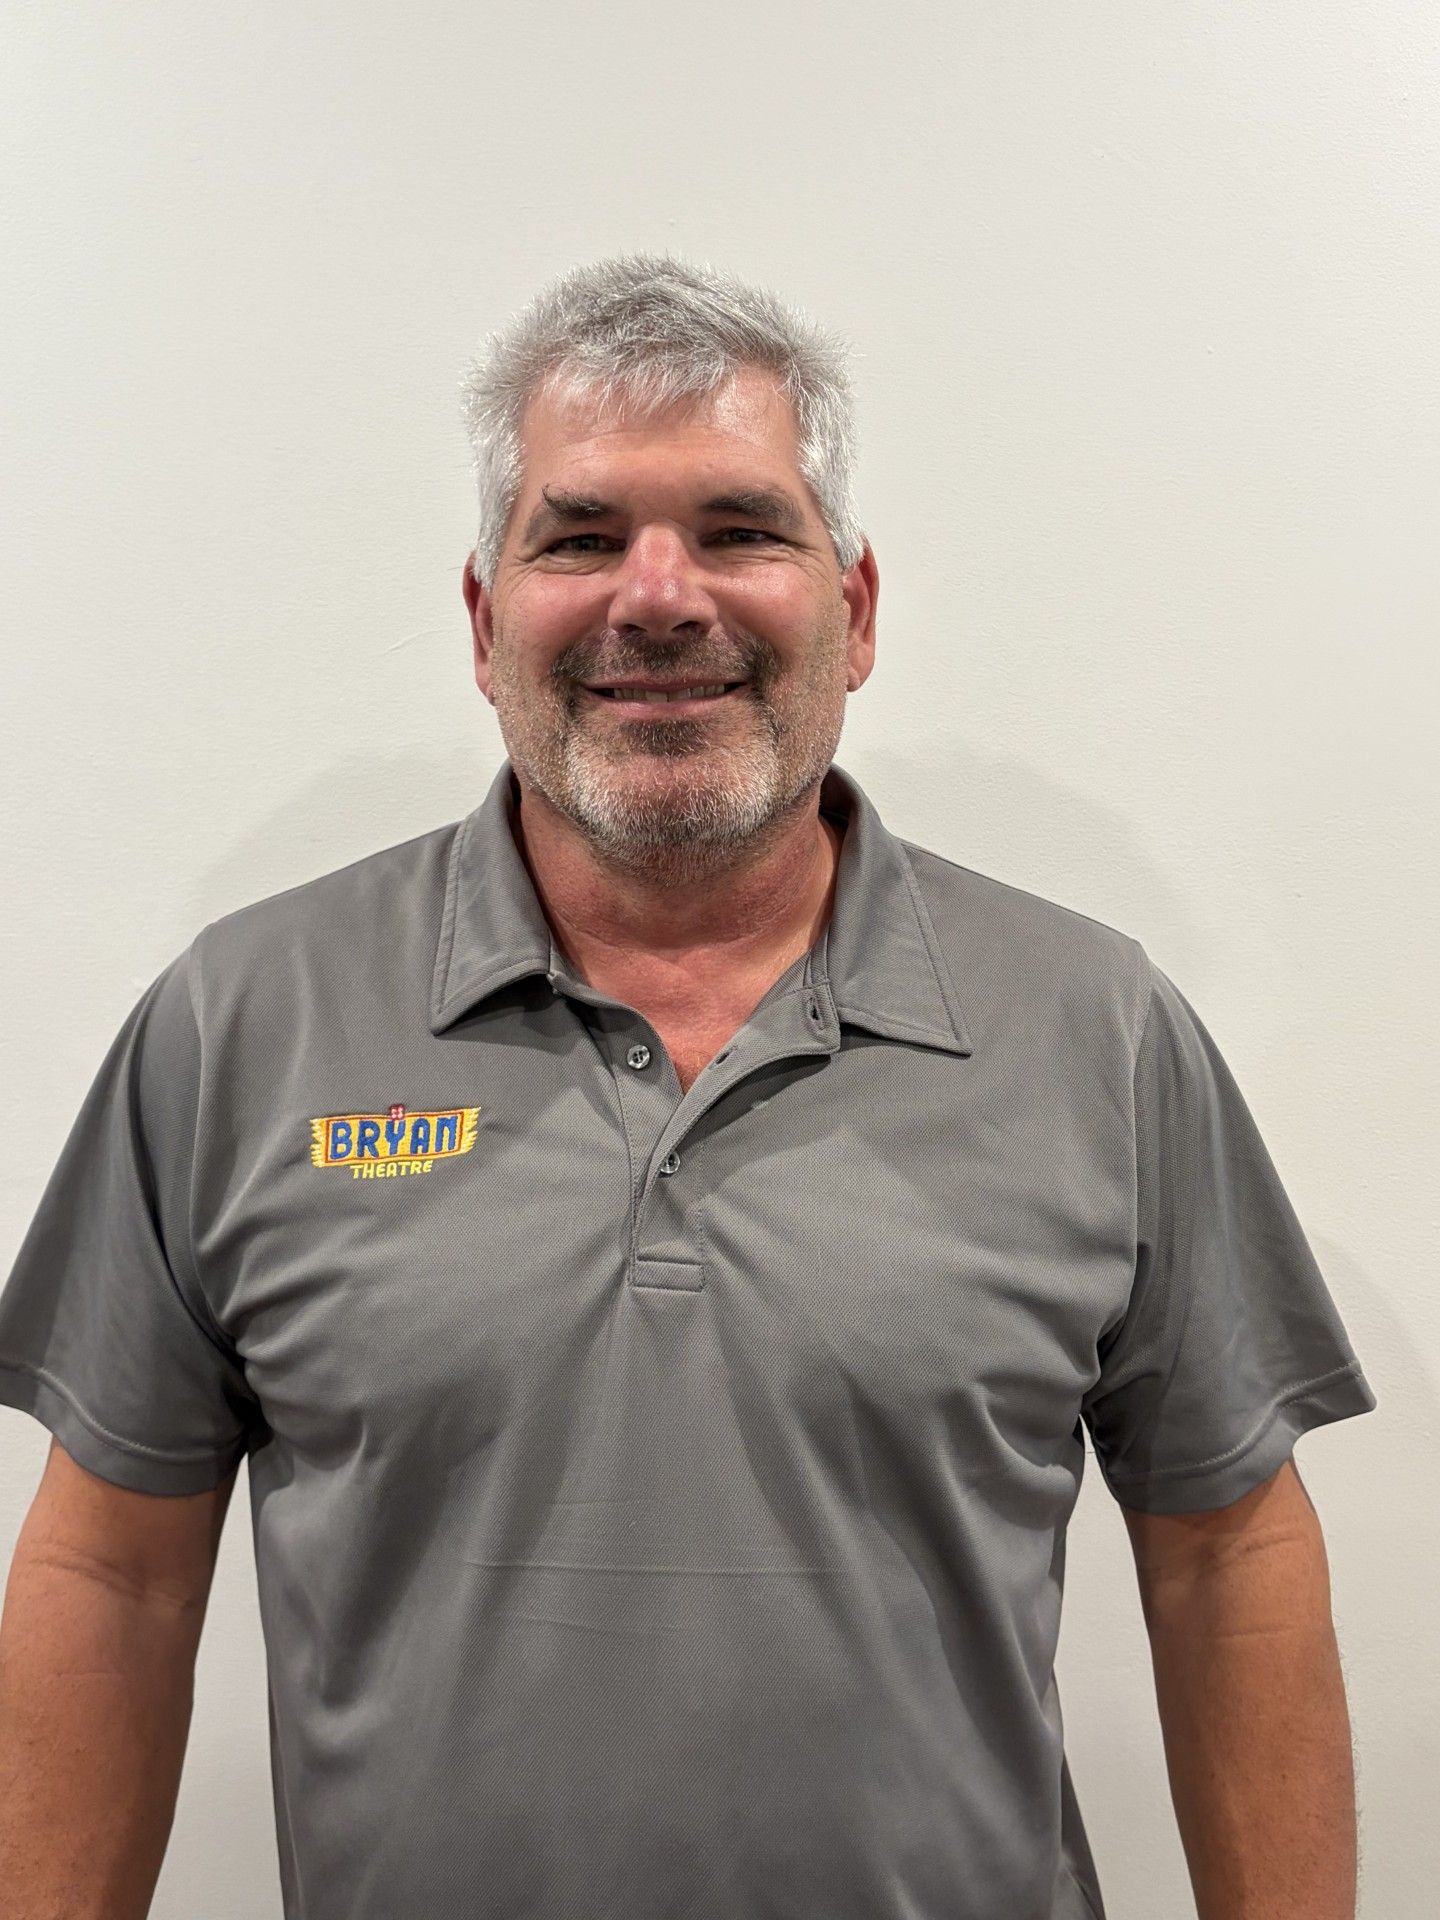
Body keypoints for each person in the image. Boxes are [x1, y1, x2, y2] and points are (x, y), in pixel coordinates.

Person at [0, 252, 1377, 1920]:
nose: (661, 597)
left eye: (739, 529)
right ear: (483, 618)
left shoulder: (1096, 1027)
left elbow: (1230, 1555)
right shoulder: (240, 1024)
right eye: (580, 537)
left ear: (853, 612)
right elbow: (111, 1576)